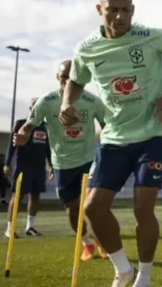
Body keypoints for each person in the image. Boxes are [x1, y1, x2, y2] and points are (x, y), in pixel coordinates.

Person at [59, 0, 162, 287]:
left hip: (152, 134)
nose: (120, 16)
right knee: (93, 208)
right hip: (113, 137)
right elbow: (76, 80)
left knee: (142, 208)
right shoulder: (86, 49)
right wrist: (67, 102)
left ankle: (144, 281)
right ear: (100, 10)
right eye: (113, 10)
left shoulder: (151, 36)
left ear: (133, 10)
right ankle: (124, 269)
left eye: (126, 10)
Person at [14, 59, 109, 260]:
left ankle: (104, 242)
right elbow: (29, 125)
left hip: (89, 160)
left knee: (94, 206)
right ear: (58, 78)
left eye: (73, 79)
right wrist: (22, 135)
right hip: (62, 163)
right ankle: (87, 244)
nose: (68, 83)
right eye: (64, 78)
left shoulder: (93, 101)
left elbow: (106, 126)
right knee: (72, 211)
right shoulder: (47, 102)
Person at [4, 97, 52, 238]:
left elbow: (48, 148)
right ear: (30, 108)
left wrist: (51, 165)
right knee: (17, 196)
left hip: (39, 167)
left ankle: (30, 227)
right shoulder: (20, 124)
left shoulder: (46, 126)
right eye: (34, 105)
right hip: (23, 165)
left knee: (36, 196)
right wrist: (7, 163)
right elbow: (11, 145)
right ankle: (9, 229)